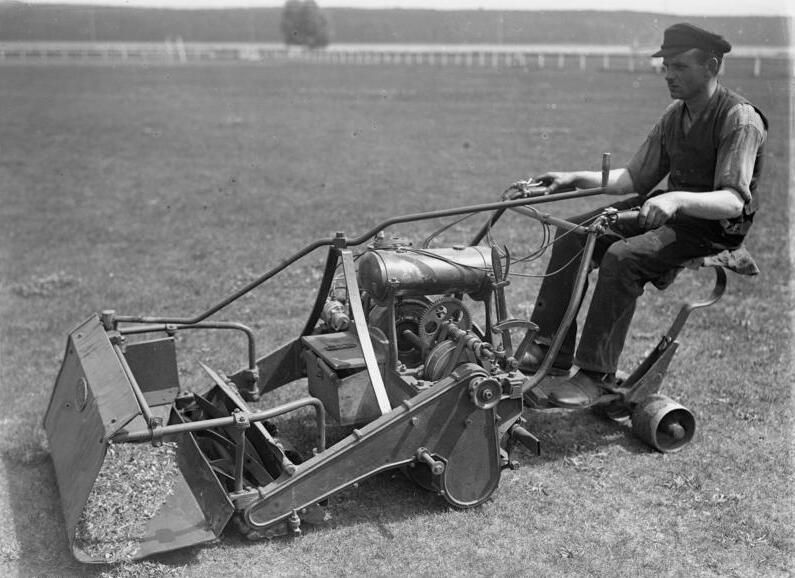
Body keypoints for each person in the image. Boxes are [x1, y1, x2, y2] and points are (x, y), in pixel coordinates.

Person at [520, 22, 768, 408]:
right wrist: (574, 177)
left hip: (713, 228)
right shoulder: (675, 115)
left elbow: (734, 200)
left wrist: (675, 201)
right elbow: (634, 177)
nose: (668, 75)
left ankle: (595, 376)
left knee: (623, 258)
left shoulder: (740, 119)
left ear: (712, 66)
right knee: (573, 234)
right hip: (671, 211)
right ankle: (548, 349)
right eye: (666, 66)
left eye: (680, 67)